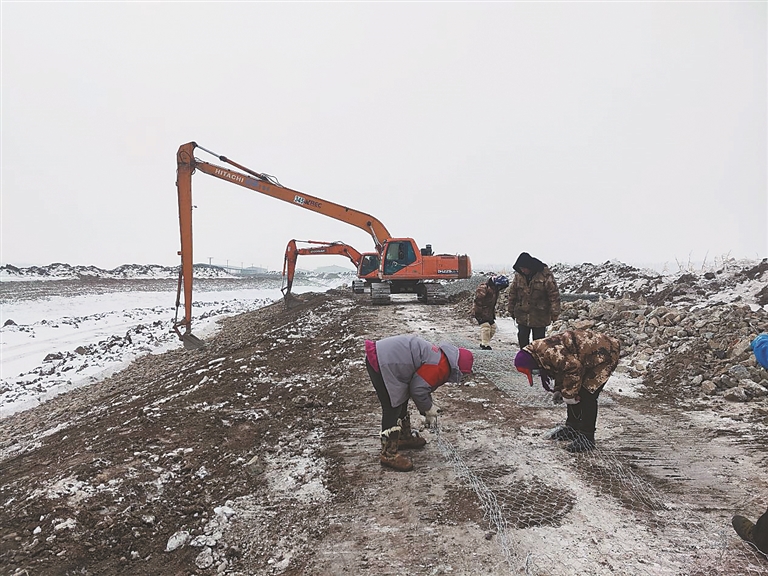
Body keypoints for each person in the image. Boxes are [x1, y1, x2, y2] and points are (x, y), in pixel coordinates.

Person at [365, 335, 474, 471]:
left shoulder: (441, 358)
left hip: (386, 356)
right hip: (382, 361)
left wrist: (426, 408)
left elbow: (419, 385)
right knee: (392, 406)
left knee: (401, 396)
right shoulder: (440, 366)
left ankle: (403, 437)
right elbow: (418, 389)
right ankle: (388, 454)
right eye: (462, 375)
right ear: (457, 369)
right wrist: (428, 409)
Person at [514, 329, 621, 453]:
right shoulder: (539, 353)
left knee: (587, 393)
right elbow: (561, 370)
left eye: (534, 372)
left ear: (532, 364)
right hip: (587, 356)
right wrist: (560, 390)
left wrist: (569, 395)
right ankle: (572, 428)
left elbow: (573, 369)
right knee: (574, 390)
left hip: (604, 355)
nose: (536, 374)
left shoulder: (549, 352)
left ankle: (587, 437)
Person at [507, 252, 561, 349]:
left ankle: (537, 362)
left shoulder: (545, 275)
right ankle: (524, 360)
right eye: (520, 268)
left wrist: (555, 313)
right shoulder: (518, 276)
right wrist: (511, 309)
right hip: (522, 314)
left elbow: (553, 294)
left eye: (524, 268)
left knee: (539, 343)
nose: (522, 270)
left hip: (540, 315)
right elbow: (513, 293)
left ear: (529, 266)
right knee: (522, 338)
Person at [472, 274, 510, 350]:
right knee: (486, 327)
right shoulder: (484, 287)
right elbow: (478, 300)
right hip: (480, 311)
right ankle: (485, 345)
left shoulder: (495, 289)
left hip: (489, 312)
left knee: (493, 328)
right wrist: (478, 312)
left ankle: (484, 342)